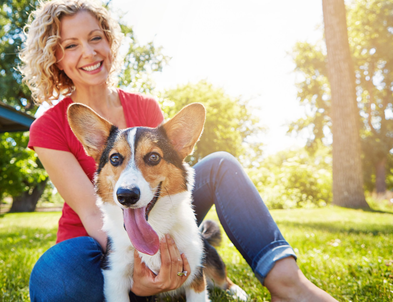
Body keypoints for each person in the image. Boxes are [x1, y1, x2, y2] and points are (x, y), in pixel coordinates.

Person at [20, 0, 338, 301]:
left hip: (159, 215)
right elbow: (92, 212)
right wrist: (136, 267)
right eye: (71, 45)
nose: (89, 52)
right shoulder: (48, 126)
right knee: (54, 280)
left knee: (220, 165)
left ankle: (287, 283)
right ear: (54, 58)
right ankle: (136, 286)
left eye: (95, 38)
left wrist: (162, 250)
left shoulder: (145, 106)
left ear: (109, 43)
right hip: (97, 239)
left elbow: (171, 180)